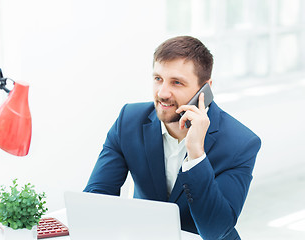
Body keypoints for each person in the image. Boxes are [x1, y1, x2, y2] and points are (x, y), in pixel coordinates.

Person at [84, 36, 261, 240]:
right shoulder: (129, 120)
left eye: (177, 82)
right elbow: (95, 202)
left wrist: (196, 155)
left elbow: (216, 231)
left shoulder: (240, 143)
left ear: (206, 88)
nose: (162, 93)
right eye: (158, 78)